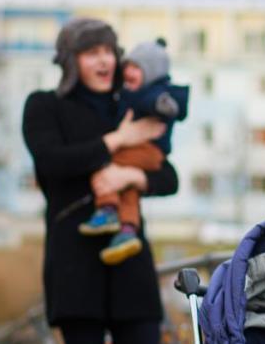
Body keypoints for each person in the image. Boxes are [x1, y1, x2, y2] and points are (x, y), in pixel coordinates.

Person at [22, 17, 179, 344]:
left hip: (129, 254)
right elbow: (53, 163)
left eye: (108, 50)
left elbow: (169, 175)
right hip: (74, 254)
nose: (104, 60)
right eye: (91, 52)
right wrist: (115, 144)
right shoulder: (44, 107)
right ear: (71, 60)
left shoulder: (128, 104)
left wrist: (131, 171)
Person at [79, 37, 189, 265]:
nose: (129, 72)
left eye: (136, 68)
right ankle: (128, 231)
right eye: (127, 66)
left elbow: (157, 101)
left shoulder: (152, 92)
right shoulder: (131, 91)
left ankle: (108, 208)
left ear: (152, 73)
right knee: (128, 187)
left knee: (105, 164)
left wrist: (161, 105)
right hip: (141, 152)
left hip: (147, 149)